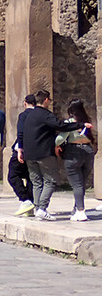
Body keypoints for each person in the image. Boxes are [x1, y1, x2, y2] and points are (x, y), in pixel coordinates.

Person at [18, 90, 62, 221]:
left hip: (30, 154)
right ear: (46, 100)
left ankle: (38, 209)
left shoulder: (28, 115)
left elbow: (21, 133)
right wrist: (79, 125)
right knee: (50, 180)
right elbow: (59, 125)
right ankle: (42, 208)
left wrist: (21, 149)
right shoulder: (45, 115)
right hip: (44, 153)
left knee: (36, 181)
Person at [55, 99, 95, 222]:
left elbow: (60, 139)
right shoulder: (87, 121)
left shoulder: (70, 123)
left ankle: (81, 212)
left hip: (73, 152)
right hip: (88, 151)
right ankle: (77, 208)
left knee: (76, 184)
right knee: (81, 183)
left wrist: (56, 146)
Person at [10, 94, 36, 215]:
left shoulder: (24, 115)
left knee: (12, 175)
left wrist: (20, 149)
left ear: (25, 103)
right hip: (35, 150)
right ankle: (30, 203)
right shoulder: (41, 115)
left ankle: (25, 199)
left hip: (22, 149)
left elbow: (21, 132)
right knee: (31, 177)